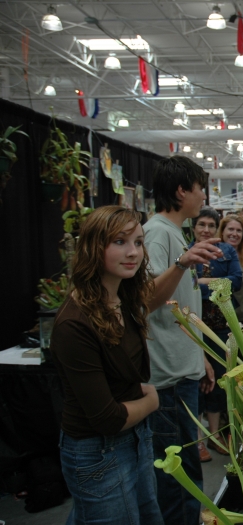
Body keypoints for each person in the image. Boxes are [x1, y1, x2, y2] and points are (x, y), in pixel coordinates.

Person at [51, 206, 164, 525]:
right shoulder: (74, 324)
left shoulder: (122, 300)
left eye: (138, 242)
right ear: (93, 247)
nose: (133, 252)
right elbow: (107, 418)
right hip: (97, 450)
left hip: (135, 438)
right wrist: (151, 401)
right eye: (119, 241)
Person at [143, 155, 224, 525]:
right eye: (199, 188)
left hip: (182, 369)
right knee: (177, 478)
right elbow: (146, 299)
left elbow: (178, 310)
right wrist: (181, 263)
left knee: (187, 467)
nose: (203, 196)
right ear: (181, 191)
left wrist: (200, 357)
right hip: (168, 377)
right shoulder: (158, 233)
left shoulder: (174, 234)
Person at [190, 208, 242, 462]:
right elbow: (187, 288)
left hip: (221, 323)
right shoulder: (187, 253)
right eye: (202, 225)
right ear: (194, 228)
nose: (206, 230)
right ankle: (198, 438)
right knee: (198, 380)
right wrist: (217, 284)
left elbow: (236, 281)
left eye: (211, 225)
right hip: (195, 323)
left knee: (219, 381)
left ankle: (214, 434)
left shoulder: (227, 251)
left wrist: (201, 283)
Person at [219, 214, 243, 326]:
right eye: (230, 229)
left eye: (239, 230)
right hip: (220, 319)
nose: (234, 234)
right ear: (222, 231)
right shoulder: (213, 254)